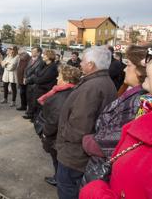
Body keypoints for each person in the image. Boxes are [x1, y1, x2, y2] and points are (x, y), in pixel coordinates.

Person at [79, 48, 152, 198]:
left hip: (100, 175)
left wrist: (94, 191)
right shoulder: (144, 103)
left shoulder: (139, 103)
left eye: (129, 64)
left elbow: (110, 143)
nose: (125, 68)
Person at [55, 46, 117, 199]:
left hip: (75, 155)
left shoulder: (92, 87)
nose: (80, 64)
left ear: (91, 65)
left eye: (83, 61)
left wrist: (62, 138)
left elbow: (79, 127)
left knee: (67, 189)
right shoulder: (103, 82)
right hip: (81, 152)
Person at [39, 65, 81, 186]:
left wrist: (45, 133)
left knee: (57, 159)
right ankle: (58, 177)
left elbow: (54, 120)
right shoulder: (73, 91)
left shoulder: (62, 95)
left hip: (57, 137)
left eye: (60, 76)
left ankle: (58, 178)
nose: (57, 77)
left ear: (67, 80)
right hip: (62, 135)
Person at [30, 50, 59, 119]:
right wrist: (36, 77)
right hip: (39, 89)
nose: (43, 56)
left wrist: (34, 78)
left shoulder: (52, 67)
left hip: (44, 90)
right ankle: (35, 118)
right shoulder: (45, 65)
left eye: (45, 55)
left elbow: (41, 80)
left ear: (49, 56)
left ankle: (38, 121)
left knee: (40, 108)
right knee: (35, 105)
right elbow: (37, 73)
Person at [22, 47, 44, 121]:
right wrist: (24, 77)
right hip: (28, 82)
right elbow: (26, 69)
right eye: (32, 51)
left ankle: (33, 116)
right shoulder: (31, 59)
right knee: (29, 99)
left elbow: (36, 74)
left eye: (34, 51)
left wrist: (27, 79)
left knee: (33, 100)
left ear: (39, 53)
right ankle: (29, 113)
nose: (32, 52)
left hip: (34, 84)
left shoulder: (41, 62)